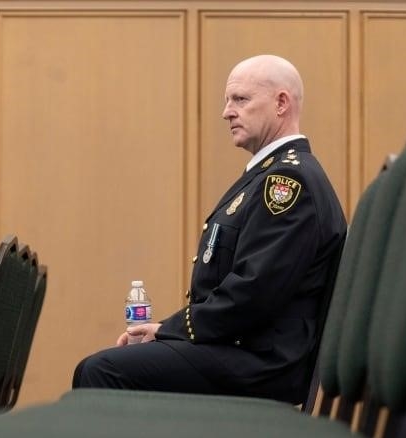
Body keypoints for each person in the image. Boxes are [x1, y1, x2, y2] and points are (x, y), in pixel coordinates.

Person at [72, 54, 347, 404]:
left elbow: (252, 294)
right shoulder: (271, 174)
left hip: (260, 363)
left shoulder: (287, 182)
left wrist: (170, 331)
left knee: (101, 370)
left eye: (240, 99)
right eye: (227, 101)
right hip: (241, 350)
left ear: (281, 103)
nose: (227, 112)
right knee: (108, 366)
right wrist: (171, 333)